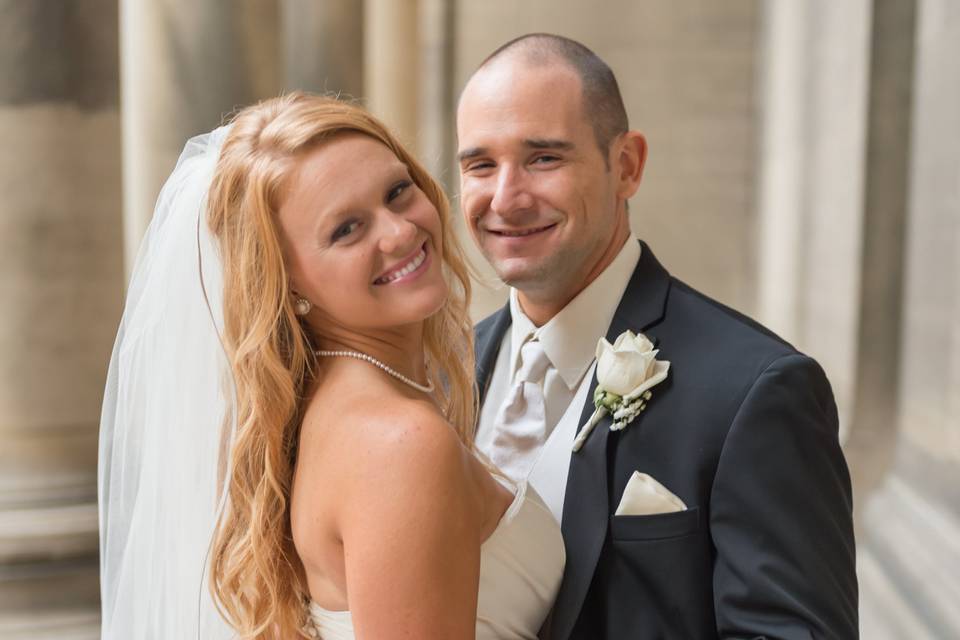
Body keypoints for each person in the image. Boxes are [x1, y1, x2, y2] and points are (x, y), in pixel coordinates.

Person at [98, 92, 564, 639]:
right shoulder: (398, 442)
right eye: (346, 229)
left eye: (397, 192)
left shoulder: (323, 408)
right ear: (286, 280)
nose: (399, 232)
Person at [457, 33, 858, 639]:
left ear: (627, 165)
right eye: (480, 165)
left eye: (544, 158)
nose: (506, 199)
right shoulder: (441, 373)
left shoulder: (757, 390)